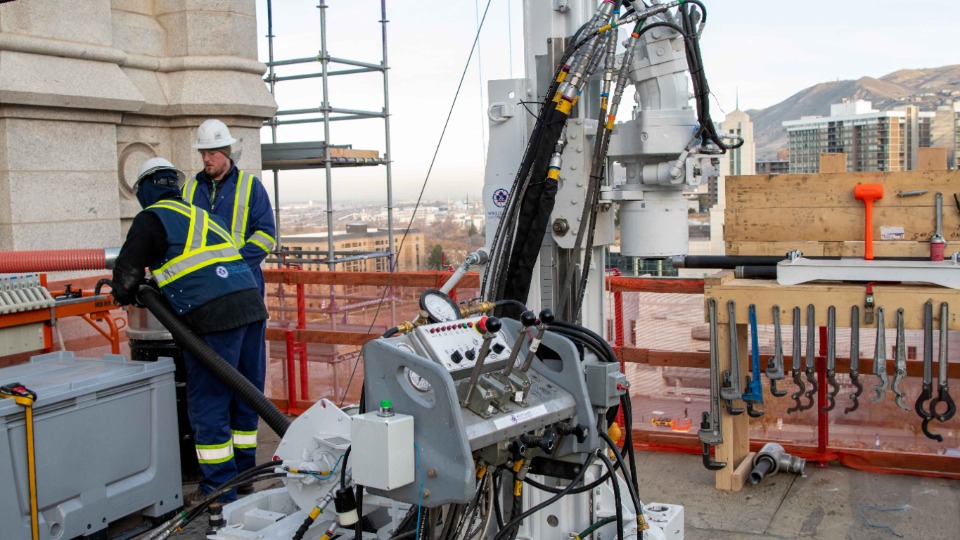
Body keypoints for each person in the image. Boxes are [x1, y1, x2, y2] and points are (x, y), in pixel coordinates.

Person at [112, 157, 269, 502]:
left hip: (213, 317)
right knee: (245, 393)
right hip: (251, 306)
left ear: (144, 190)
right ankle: (244, 477)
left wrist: (128, 292)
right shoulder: (202, 215)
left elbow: (126, 278)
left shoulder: (150, 219)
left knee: (209, 401)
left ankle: (219, 490)